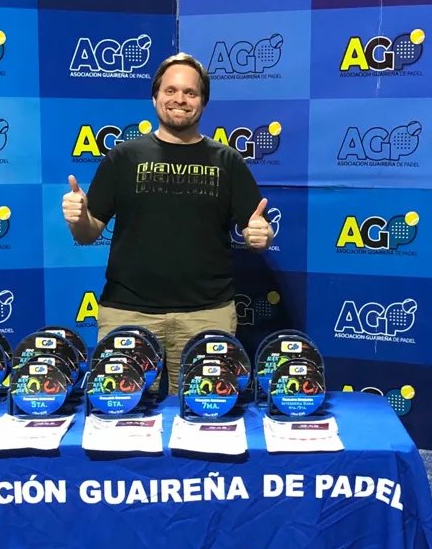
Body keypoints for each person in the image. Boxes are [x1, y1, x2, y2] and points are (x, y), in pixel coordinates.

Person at [61, 52, 273, 392]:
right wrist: (78, 218)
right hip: (128, 313)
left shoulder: (228, 161)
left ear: (203, 101)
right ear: (155, 97)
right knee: (121, 415)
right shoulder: (123, 157)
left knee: (204, 415)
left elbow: (254, 228)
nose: (180, 99)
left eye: (190, 92)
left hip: (207, 316)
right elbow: (88, 233)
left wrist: (260, 234)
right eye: (171, 90)